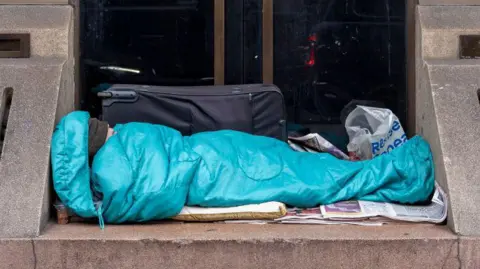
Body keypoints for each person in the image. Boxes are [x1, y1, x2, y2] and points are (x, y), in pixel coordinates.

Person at [51, 111, 435, 225]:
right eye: (103, 128)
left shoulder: (114, 160)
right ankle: (406, 169)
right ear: (94, 141)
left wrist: (91, 206)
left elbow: (154, 190)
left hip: (219, 165)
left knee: (309, 174)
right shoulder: (114, 161)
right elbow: (161, 188)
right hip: (218, 163)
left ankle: (402, 170)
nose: (114, 127)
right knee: (312, 178)